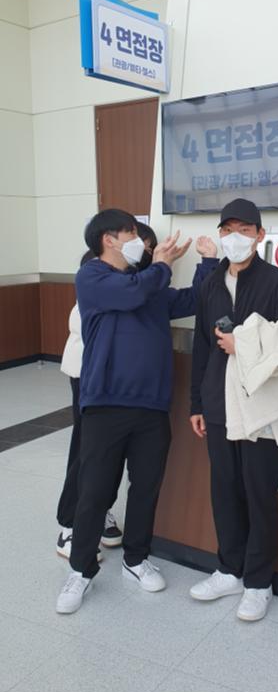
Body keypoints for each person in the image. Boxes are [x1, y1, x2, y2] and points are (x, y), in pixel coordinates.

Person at [56, 208, 218, 614]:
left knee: (146, 487)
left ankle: (135, 559)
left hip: (151, 406)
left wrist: (208, 262)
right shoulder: (92, 277)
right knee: (95, 491)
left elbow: (193, 300)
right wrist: (162, 264)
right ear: (108, 239)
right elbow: (131, 294)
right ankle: (80, 571)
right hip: (105, 404)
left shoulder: (148, 284)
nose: (138, 243)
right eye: (130, 233)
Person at [189, 199, 278, 622]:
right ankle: (229, 569)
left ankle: (259, 582)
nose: (235, 238)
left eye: (244, 230)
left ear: (260, 235)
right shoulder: (211, 283)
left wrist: (242, 342)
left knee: (259, 493)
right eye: (227, 230)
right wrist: (197, 403)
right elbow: (201, 346)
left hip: (261, 406)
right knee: (224, 490)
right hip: (219, 404)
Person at [56, 223, 158, 559]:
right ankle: (69, 525)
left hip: (115, 383)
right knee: (86, 453)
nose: (143, 251)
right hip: (87, 375)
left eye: (148, 247)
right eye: (140, 243)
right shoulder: (95, 270)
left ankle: (101, 513)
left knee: (108, 457)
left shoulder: (133, 276)